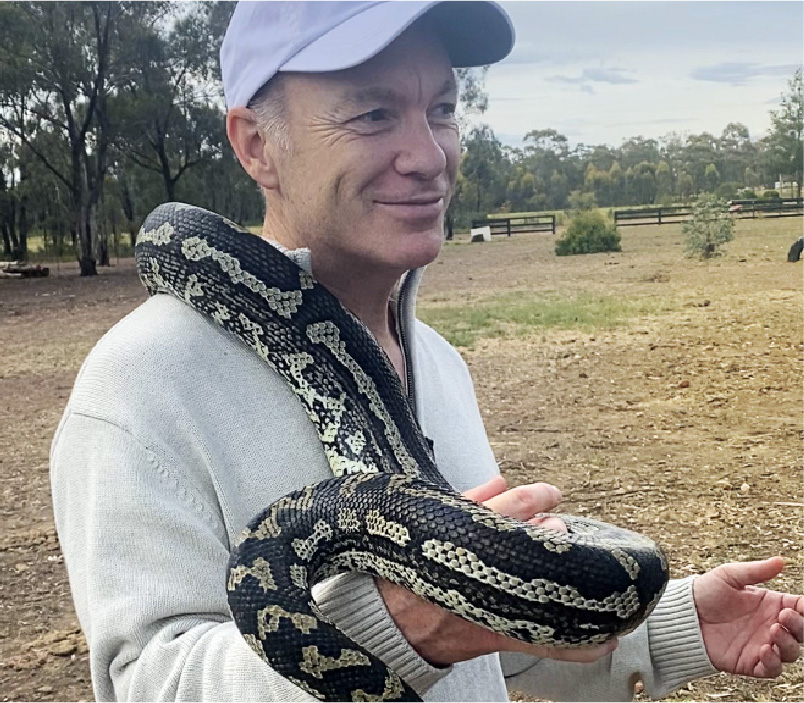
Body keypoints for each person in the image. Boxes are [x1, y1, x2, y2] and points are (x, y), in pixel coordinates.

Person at [51, 2, 802, 701]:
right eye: (375, 112)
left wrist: (669, 626)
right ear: (257, 145)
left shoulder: (436, 358)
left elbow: (479, 636)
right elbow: (152, 682)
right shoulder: (141, 383)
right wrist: (401, 622)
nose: (428, 153)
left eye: (443, 107)